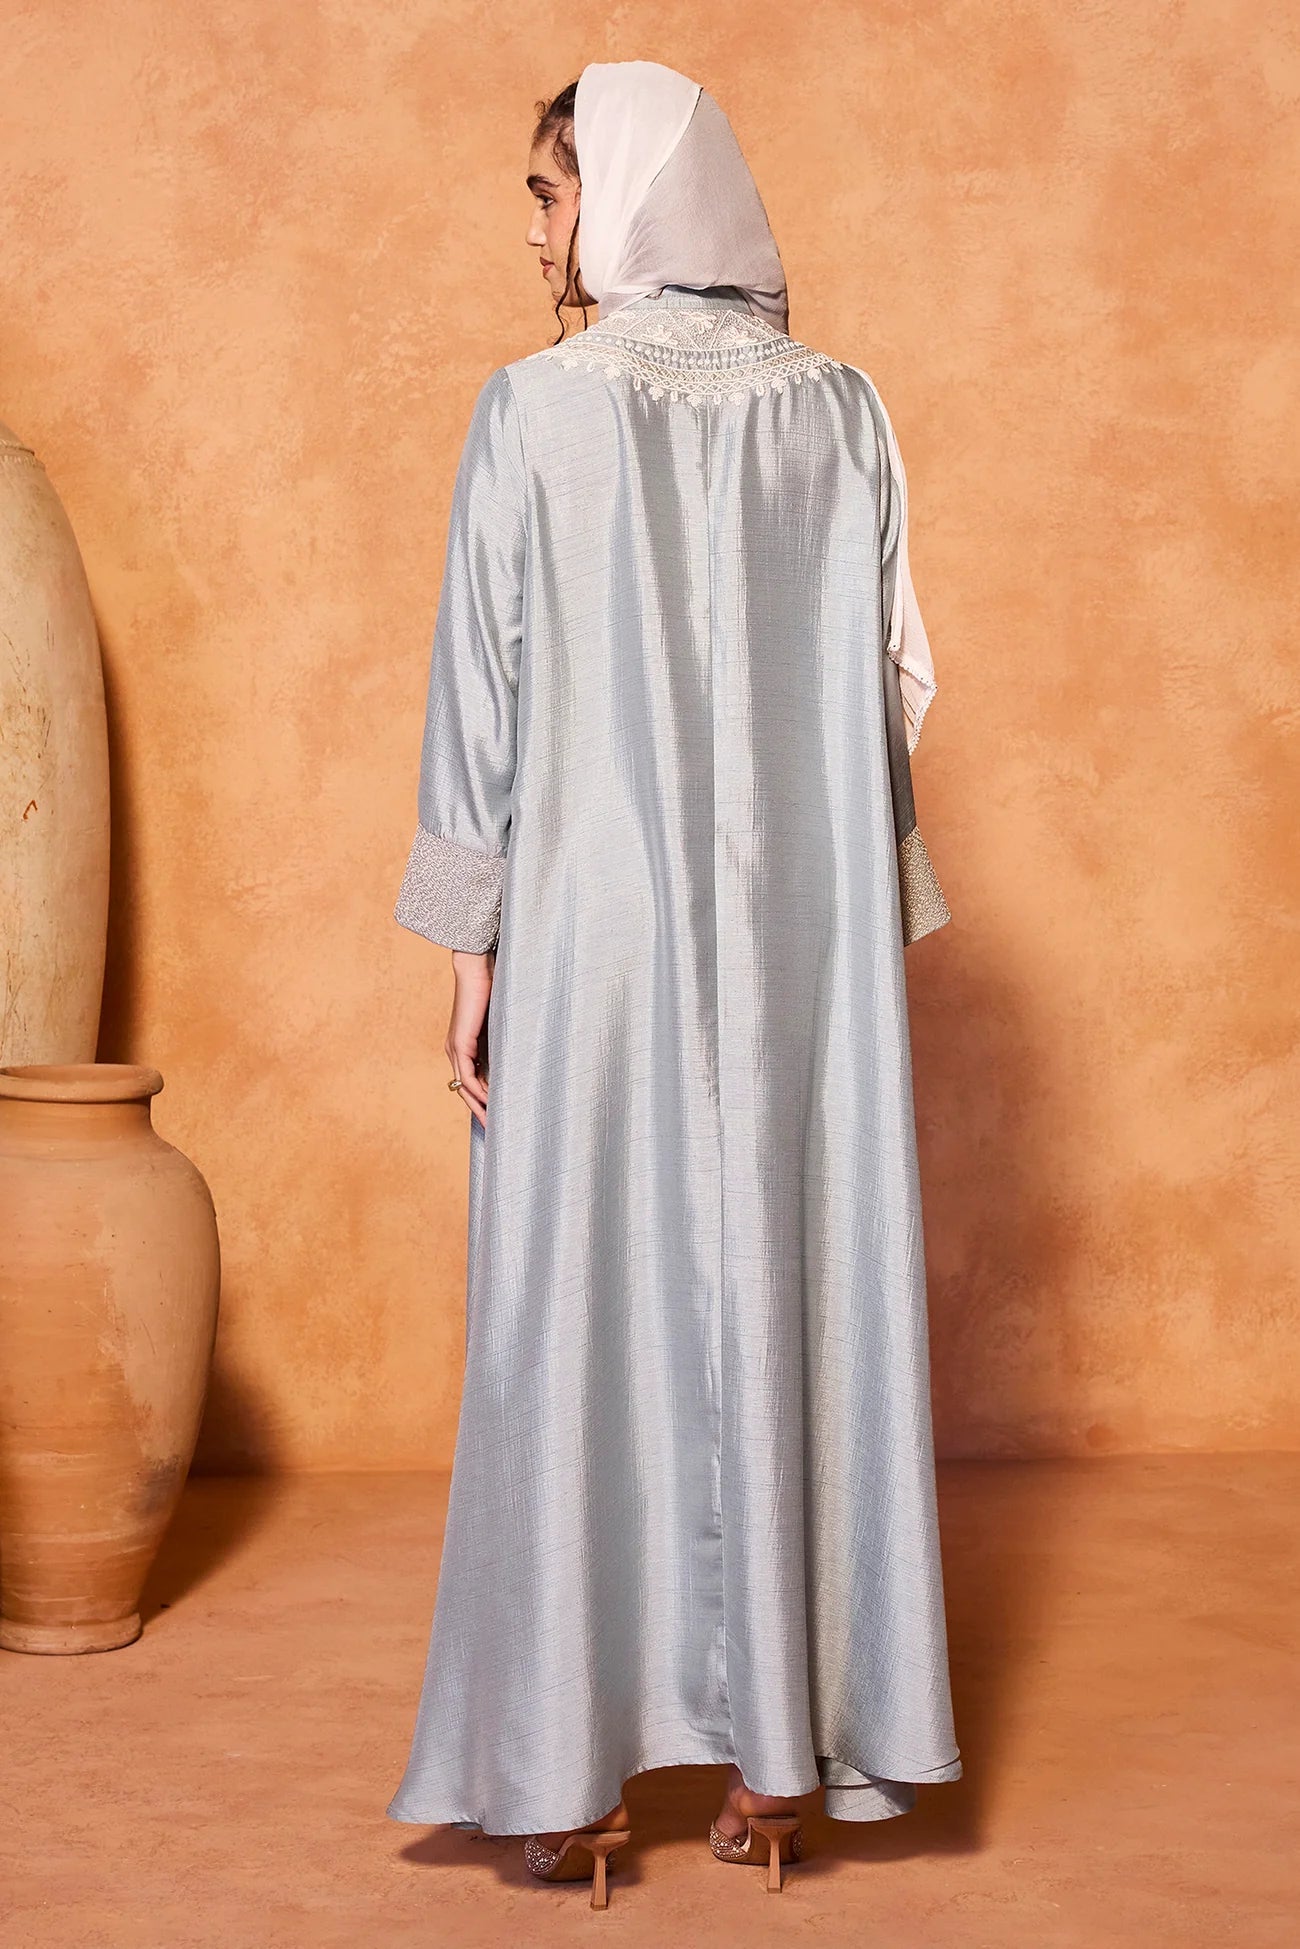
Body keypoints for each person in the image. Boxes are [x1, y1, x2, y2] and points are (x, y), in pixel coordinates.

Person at [385, 58, 961, 1908]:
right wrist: (870, 920)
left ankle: (561, 1781)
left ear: (624, 196)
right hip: (800, 939)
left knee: (573, 1299)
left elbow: (482, 690)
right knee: (792, 1279)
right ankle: (781, 1766)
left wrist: (469, 944)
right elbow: (888, 690)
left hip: (597, 930)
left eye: (551, 193)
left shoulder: (534, 411)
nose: (539, 234)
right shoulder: (842, 412)